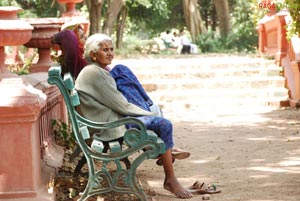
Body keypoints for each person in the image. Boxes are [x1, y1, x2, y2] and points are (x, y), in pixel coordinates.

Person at [75, 33, 193, 199]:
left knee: (120, 70)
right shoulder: (95, 74)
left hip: (112, 119)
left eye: (111, 49)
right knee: (164, 124)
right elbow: (121, 105)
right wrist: (150, 113)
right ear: (93, 54)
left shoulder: (95, 71)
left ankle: (166, 149)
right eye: (104, 50)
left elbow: (118, 102)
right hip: (112, 125)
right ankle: (170, 179)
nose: (110, 53)